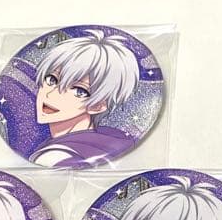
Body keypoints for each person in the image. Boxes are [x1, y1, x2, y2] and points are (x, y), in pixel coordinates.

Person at [29, 29, 141, 167]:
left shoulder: (55, 157)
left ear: (98, 105)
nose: (51, 94)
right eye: (51, 80)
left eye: (79, 91)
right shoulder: (112, 139)